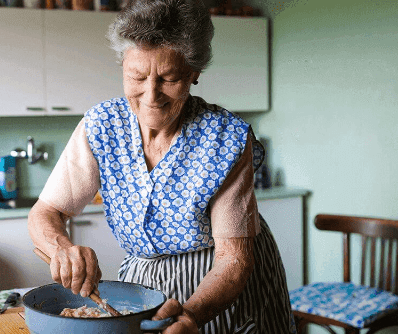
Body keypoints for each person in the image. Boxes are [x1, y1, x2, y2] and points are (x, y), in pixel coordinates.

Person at [28, 0, 296, 332]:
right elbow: (46, 212)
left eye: (168, 78)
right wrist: (61, 247)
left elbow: (233, 260)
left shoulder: (226, 138)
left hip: (221, 284)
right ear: (122, 67)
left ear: (194, 72)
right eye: (136, 77)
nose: (151, 95)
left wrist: (192, 314)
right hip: (144, 281)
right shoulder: (101, 125)